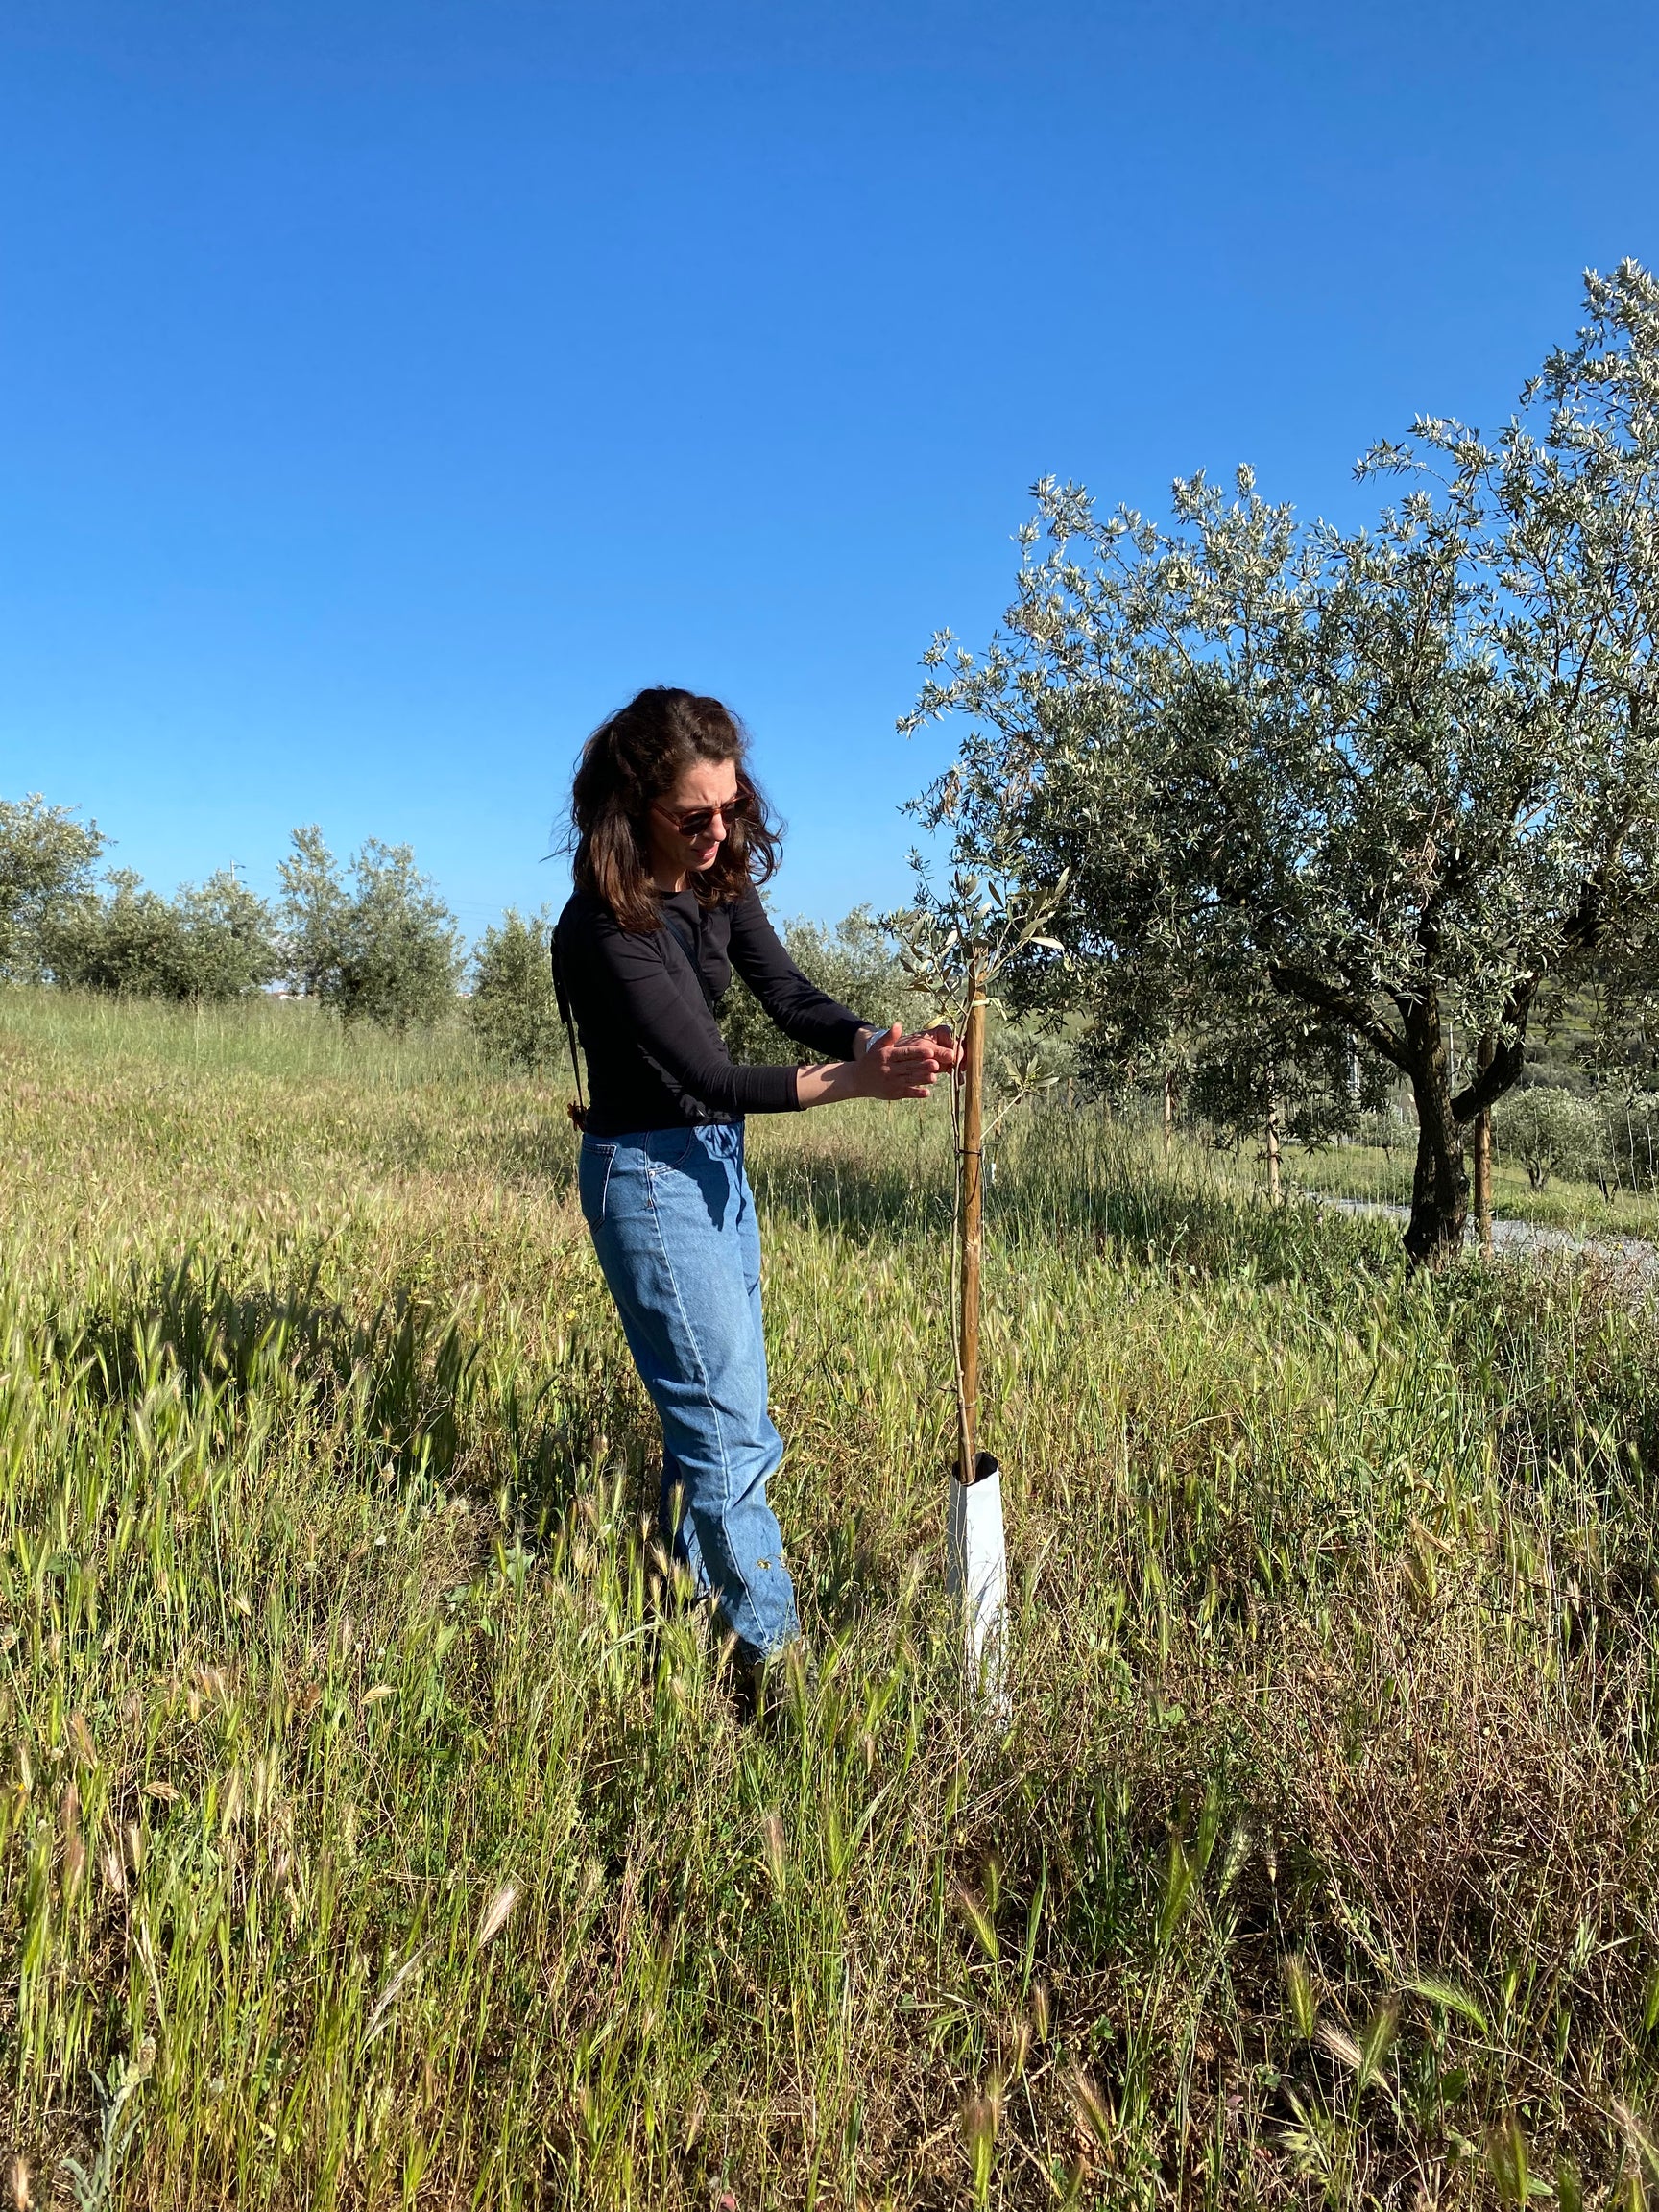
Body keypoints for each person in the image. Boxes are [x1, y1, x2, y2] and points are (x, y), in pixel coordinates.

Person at [553, 686, 957, 1709]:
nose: (721, 832)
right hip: (649, 1179)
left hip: (714, 1171)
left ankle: (673, 1623)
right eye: (695, 816)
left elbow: (787, 994)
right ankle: (780, 1681)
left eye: (730, 807)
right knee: (730, 1439)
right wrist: (857, 1088)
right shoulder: (604, 929)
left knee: (723, 1429)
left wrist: (873, 1042)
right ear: (632, 806)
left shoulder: (716, 881)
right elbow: (711, 1078)